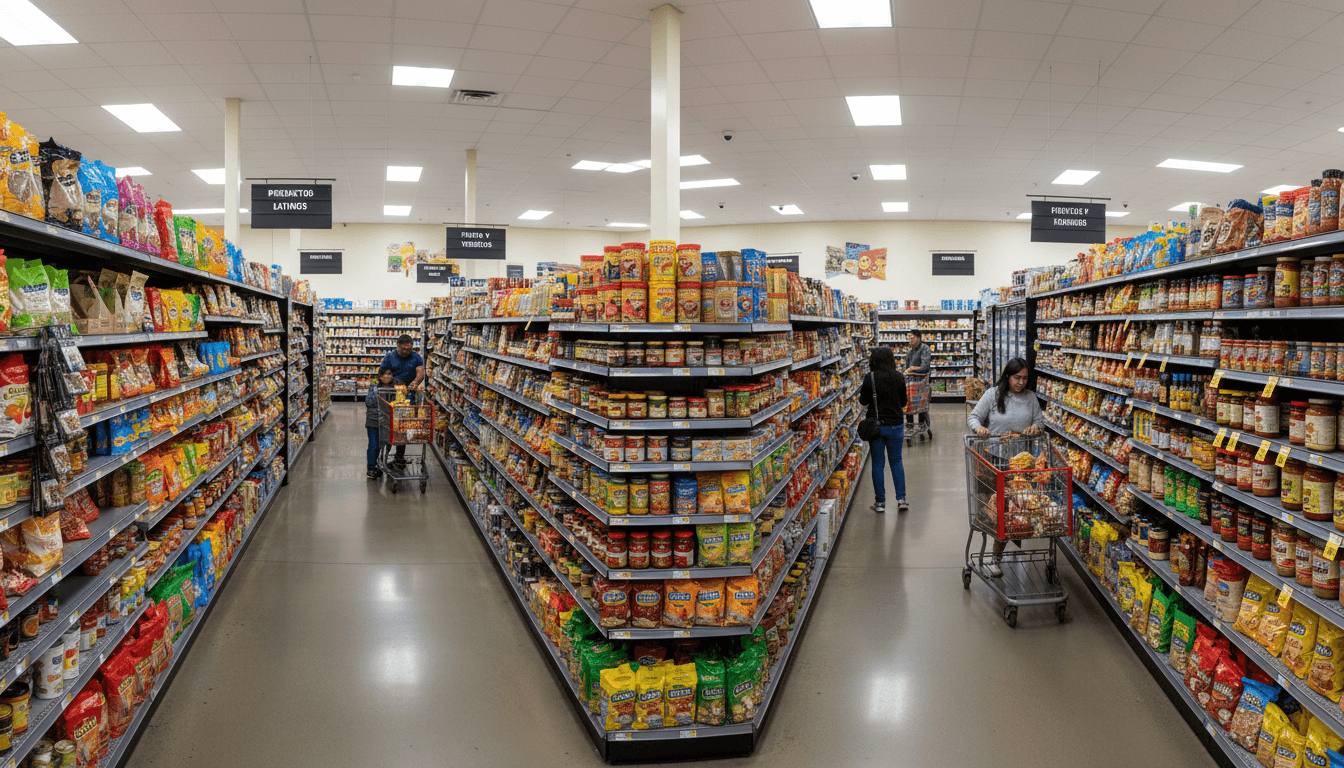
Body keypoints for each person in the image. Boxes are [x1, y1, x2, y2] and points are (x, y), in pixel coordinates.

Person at [966, 358, 1045, 576]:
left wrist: (1035, 428)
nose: (1020, 382)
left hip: (1021, 465)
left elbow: (1040, 422)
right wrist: (979, 428)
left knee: (1018, 511)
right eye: (1016, 378)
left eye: (1024, 378)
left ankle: (998, 553)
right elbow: (973, 417)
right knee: (999, 511)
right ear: (1007, 376)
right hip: (996, 462)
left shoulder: (1030, 398)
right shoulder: (993, 394)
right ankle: (996, 556)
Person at [859, 346, 908, 513]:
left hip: (876, 427)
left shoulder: (869, 378)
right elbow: (903, 403)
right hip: (896, 426)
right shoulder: (899, 377)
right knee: (896, 462)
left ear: (873, 361)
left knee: (878, 464)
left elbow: (864, 401)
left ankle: (880, 503)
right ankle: (901, 499)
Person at [380, 334, 425, 467]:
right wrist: (393, 383)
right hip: (391, 396)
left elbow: (421, 372)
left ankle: (399, 457)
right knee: (388, 427)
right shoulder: (389, 357)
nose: (405, 352)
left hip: (408, 397)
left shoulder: (416, 357)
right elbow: (382, 374)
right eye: (403, 349)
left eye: (408, 349)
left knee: (403, 427)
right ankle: (384, 456)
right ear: (397, 346)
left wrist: (416, 382)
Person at [366, 367, 395, 479]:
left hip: (387, 422)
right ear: (380, 377)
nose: (387, 376)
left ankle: (382, 463)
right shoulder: (374, 388)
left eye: (390, 374)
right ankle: (371, 467)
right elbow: (369, 402)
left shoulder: (395, 389)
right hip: (373, 421)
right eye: (385, 374)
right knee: (374, 445)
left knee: (387, 444)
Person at [903, 330, 931, 434]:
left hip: (921, 382)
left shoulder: (925, 349)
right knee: (909, 403)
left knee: (921, 404)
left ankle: (921, 424)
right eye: (909, 337)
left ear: (918, 338)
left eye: (912, 337)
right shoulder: (910, 352)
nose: (910, 339)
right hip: (911, 383)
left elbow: (925, 366)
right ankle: (910, 425)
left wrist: (911, 370)